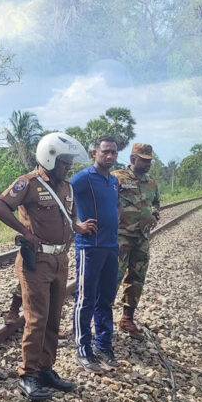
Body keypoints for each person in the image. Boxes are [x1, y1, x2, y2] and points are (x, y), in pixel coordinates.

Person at [0, 132, 93, 401]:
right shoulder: (29, 183)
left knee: (52, 318)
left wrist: (78, 226)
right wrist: (24, 232)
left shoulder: (67, 187)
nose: (68, 166)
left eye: (70, 162)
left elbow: (69, 215)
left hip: (60, 260)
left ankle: (46, 368)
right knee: (35, 319)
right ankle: (27, 374)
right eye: (63, 162)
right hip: (36, 261)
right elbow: (0, 206)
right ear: (49, 158)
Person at [70, 135, 120, 373]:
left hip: (111, 247)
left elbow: (115, 206)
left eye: (113, 152)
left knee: (106, 299)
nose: (109, 156)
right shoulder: (82, 179)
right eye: (105, 152)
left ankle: (104, 345)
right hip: (90, 248)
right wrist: (76, 225)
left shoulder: (113, 181)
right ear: (94, 153)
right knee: (85, 299)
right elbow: (60, 200)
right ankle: (83, 350)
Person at [111, 143, 160, 340]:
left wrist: (155, 216)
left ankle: (127, 319)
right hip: (120, 237)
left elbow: (155, 204)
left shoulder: (152, 183)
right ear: (133, 159)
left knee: (137, 277)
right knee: (113, 277)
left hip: (142, 238)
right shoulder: (117, 177)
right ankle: (103, 320)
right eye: (144, 160)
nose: (147, 164)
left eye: (149, 160)